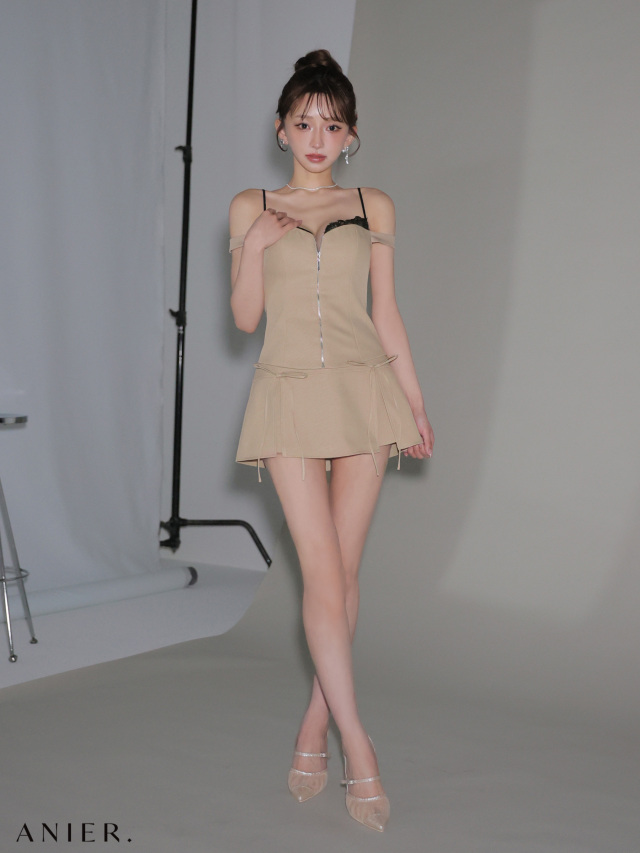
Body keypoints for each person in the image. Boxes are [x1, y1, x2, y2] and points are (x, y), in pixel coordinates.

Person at [228, 49, 433, 833]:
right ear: (281, 129)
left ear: (351, 135)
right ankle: (359, 745)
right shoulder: (251, 205)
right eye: (305, 123)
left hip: (363, 392)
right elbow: (245, 318)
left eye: (333, 125)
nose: (318, 138)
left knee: (342, 574)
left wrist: (414, 401)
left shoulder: (372, 204)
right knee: (319, 572)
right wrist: (254, 246)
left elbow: (386, 311)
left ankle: (313, 726)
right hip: (286, 394)